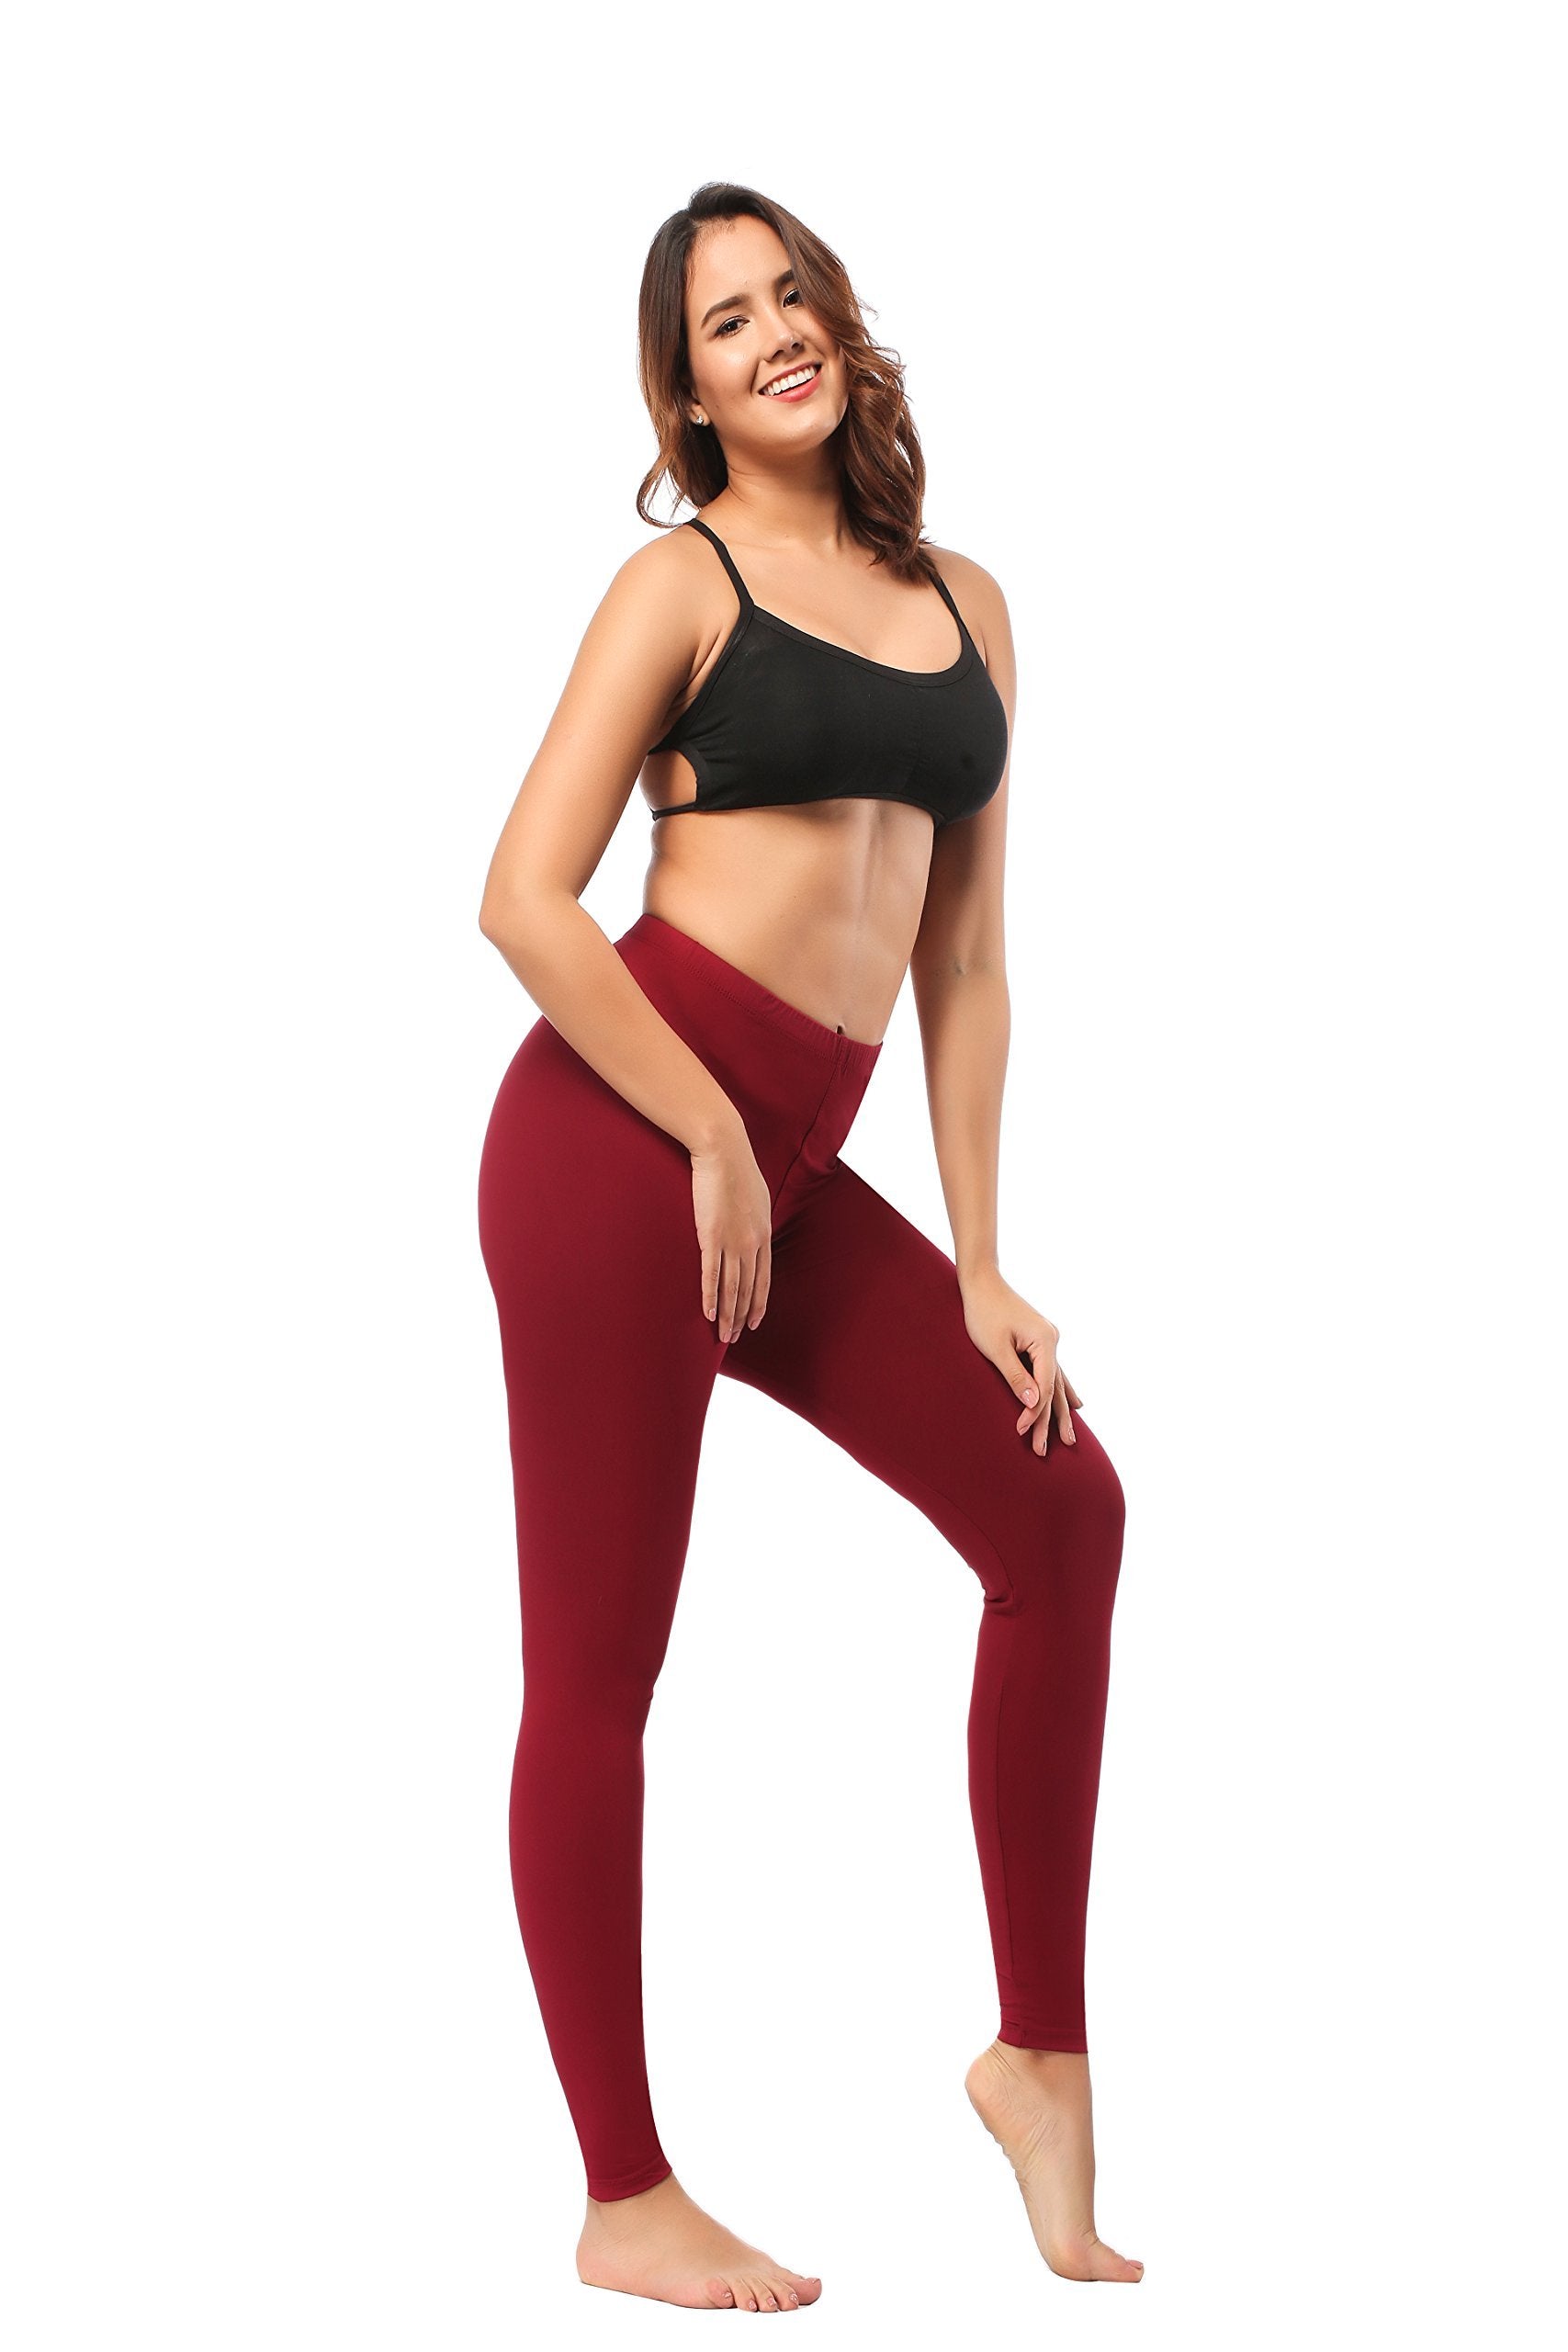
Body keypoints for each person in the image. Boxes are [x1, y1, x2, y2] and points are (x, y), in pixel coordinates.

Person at [477, 181, 1142, 2311]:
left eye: (790, 295)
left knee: (1062, 1508)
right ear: (681, 392)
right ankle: (623, 2189)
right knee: (600, 1666)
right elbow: (521, 896)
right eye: (722, 320)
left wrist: (978, 1256)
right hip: (613, 1142)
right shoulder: (675, 584)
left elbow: (966, 958)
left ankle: (1035, 2057)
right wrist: (701, 1130)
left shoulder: (969, 607)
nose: (770, 333)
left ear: (836, 327)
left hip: (781, 1163)